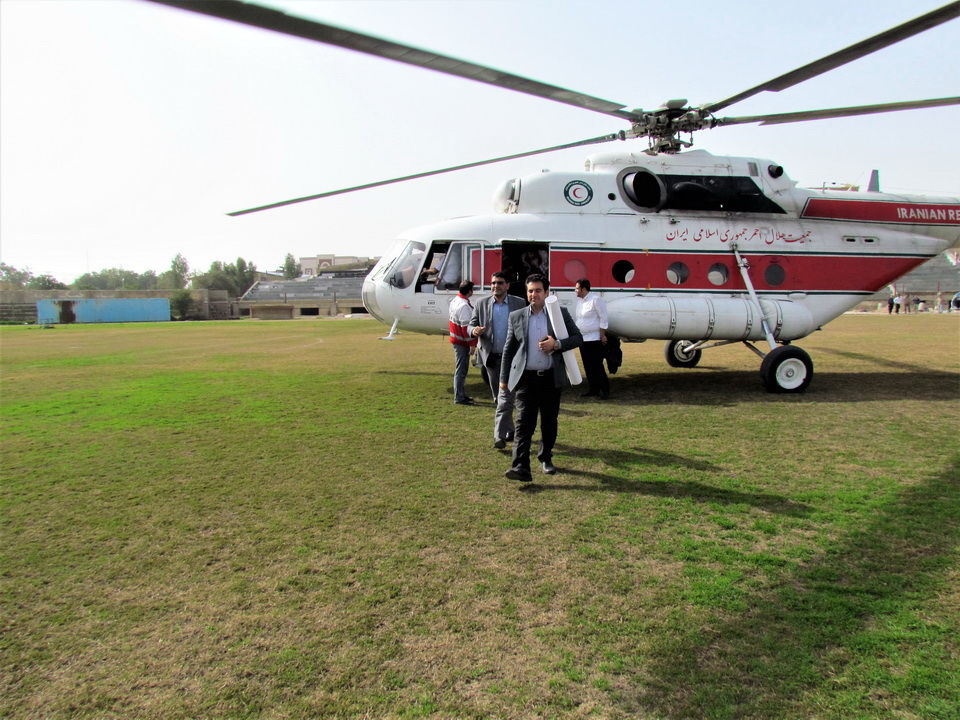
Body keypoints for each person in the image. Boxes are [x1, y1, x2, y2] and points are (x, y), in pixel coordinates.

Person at [500, 274, 582, 481]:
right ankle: (520, 467)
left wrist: (557, 345)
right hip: (526, 380)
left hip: (550, 379)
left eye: (537, 290)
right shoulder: (517, 316)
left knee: (549, 422)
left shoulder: (559, 314)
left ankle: (546, 457)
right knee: (523, 424)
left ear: (547, 292)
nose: (533, 294)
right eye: (530, 291)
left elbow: (577, 337)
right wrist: (503, 378)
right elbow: (509, 349)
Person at [469, 272, 527, 448]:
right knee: (500, 397)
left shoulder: (519, 303)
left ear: (507, 285)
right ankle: (508, 430)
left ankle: (499, 436)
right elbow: (470, 325)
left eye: (500, 283)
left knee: (507, 397)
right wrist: (474, 331)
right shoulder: (481, 303)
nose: (496, 286)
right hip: (492, 357)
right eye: (493, 283)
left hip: (513, 358)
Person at [574, 278, 610, 399]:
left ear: (583, 289)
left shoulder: (596, 300)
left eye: (577, 288)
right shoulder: (580, 302)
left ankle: (605, 390)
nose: (575, 291)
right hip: (583, 339)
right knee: (587, 366)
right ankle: (593, 389)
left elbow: (603, 318)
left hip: (594, 338)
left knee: (597, 366)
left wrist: (602, 334)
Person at [448, 281, 477, 405]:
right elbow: (466, 329)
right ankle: (459, 397)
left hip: (457, 340)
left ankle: (460, 395)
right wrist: (472, 344)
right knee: (461, 370)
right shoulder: (464, 306)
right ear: (470, 291)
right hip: (461, 342)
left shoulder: (455, 301)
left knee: (461, 369)